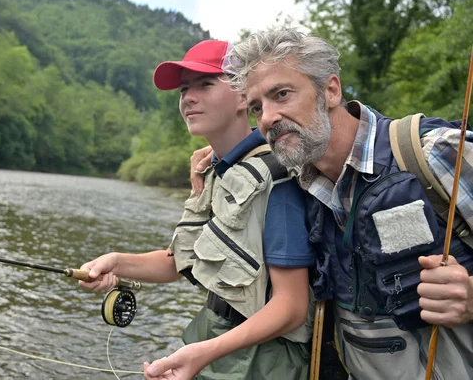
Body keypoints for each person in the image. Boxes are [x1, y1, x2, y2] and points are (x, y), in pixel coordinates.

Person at [190, 28, 473, 379]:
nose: (267, 118)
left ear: (331, 90)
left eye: (282, 94)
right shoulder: (299, 179)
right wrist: (214, 160)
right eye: (256, 107)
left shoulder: (435, 153)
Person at [78, 39, 316, 380]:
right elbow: (179, 262)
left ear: (242, 96)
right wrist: (115, 261)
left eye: (205, 85)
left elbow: (291, 308)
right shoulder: (215, 171)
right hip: (220, 339)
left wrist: (203, 354)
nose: (188, 98)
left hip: (265, 360)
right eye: (184, 89)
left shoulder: (275, 178)